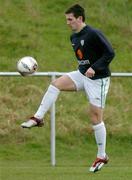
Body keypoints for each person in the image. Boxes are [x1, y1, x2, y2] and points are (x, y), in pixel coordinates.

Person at [21, 4, 115, 172]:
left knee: (95, 119)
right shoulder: (73, 38)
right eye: (66, 20)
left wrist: (96, 67)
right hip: (82, 74)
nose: (67, 23)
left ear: (80, 18)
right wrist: (86, 70)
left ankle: (102, 155)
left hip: (98, 80)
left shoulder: (94, 34)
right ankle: (38, 117)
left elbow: (110, 53)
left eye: (70, 19)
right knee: (56, 84)